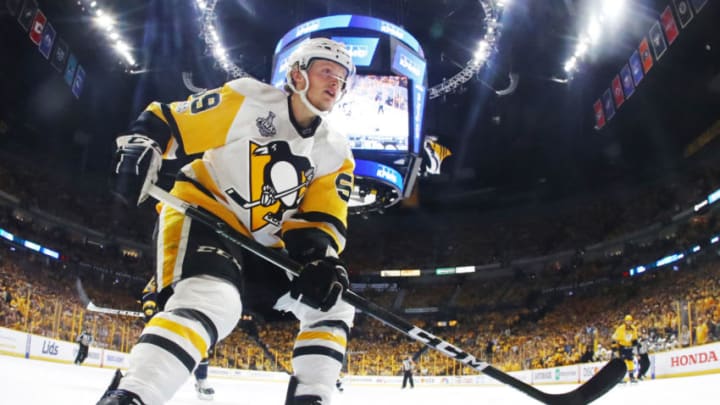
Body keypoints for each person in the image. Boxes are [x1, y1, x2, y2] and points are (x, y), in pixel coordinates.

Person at [97, 37, 357, 405]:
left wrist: (319, 260)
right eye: (327, 71)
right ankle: (134, 396)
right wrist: (144, 144)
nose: (336, 83)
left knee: (334, 302)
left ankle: (311, 397)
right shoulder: (249, 99)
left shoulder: (336, 151)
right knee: (214, 299)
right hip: (205, 213)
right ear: (298, 73)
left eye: (343, 78)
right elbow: (171, 119)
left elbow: (320, 219)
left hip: (264, 246)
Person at [141, 276, 216, 400]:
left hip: (190, 314)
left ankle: (202, 380)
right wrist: (149, 309)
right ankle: (143, 379)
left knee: (200, 347)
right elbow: (149, 291)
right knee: (153, 348)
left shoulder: (197, 273)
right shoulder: (168, 268)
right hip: (165, 315)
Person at [612, 314, 639, 383]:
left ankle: (631, 377)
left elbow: (634, 340)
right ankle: (619, 378)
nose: (629, 322)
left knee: (630, 362)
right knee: (622, 363)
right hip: (621, 347)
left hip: (629, 348)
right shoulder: (621, 328)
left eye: (630, 321)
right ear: (625, 321)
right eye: (627, 321)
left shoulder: (633, 329)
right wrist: (615, 350)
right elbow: (614, 339)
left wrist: (636, 351)